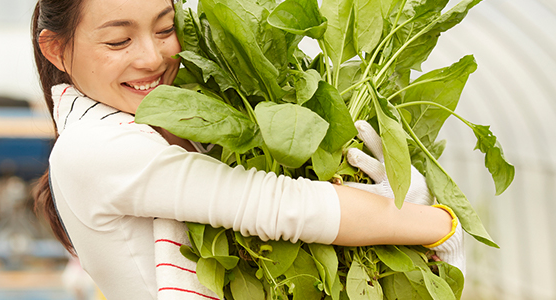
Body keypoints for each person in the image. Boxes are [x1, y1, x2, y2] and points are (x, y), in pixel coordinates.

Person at [30, 0, 464, 299]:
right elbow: (274, 204)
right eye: (118, 41)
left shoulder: (184, 115)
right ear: (57, 49)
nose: (152, 57)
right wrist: (435, 222)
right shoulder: (93, 145)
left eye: (165, 30)